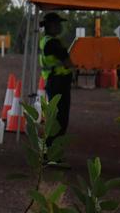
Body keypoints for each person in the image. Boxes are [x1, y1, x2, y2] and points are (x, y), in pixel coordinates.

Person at [39, 11, 73, 157]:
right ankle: (52, 154)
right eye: (58, 23)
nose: (60, 26)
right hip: (58, 83)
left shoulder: (45, 41)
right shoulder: (53, 43)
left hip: (53, 83)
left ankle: (50, 153)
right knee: (60, 120)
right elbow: (68, 62)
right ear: (51, 26)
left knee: (55, 119)